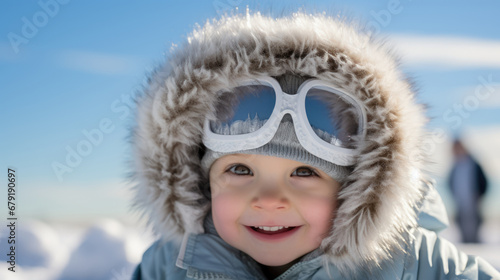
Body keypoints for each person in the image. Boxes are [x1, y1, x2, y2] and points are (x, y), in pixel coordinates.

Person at [129, 12, 500, 279]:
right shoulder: (171, 264)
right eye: (239, 169)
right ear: (197, 181)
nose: (269, 199)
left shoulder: (414, 264)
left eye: (304, 172)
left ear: (357, 192)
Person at [448, 139, 488, 243]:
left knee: (474, 226)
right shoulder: (455, 167)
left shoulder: (473, 164)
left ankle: (476, 247)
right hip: (460, 202)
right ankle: (466, 247)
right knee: (461, 226)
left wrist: (479, 195)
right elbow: (450, 183)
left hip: (473, 201)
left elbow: (484, 181)